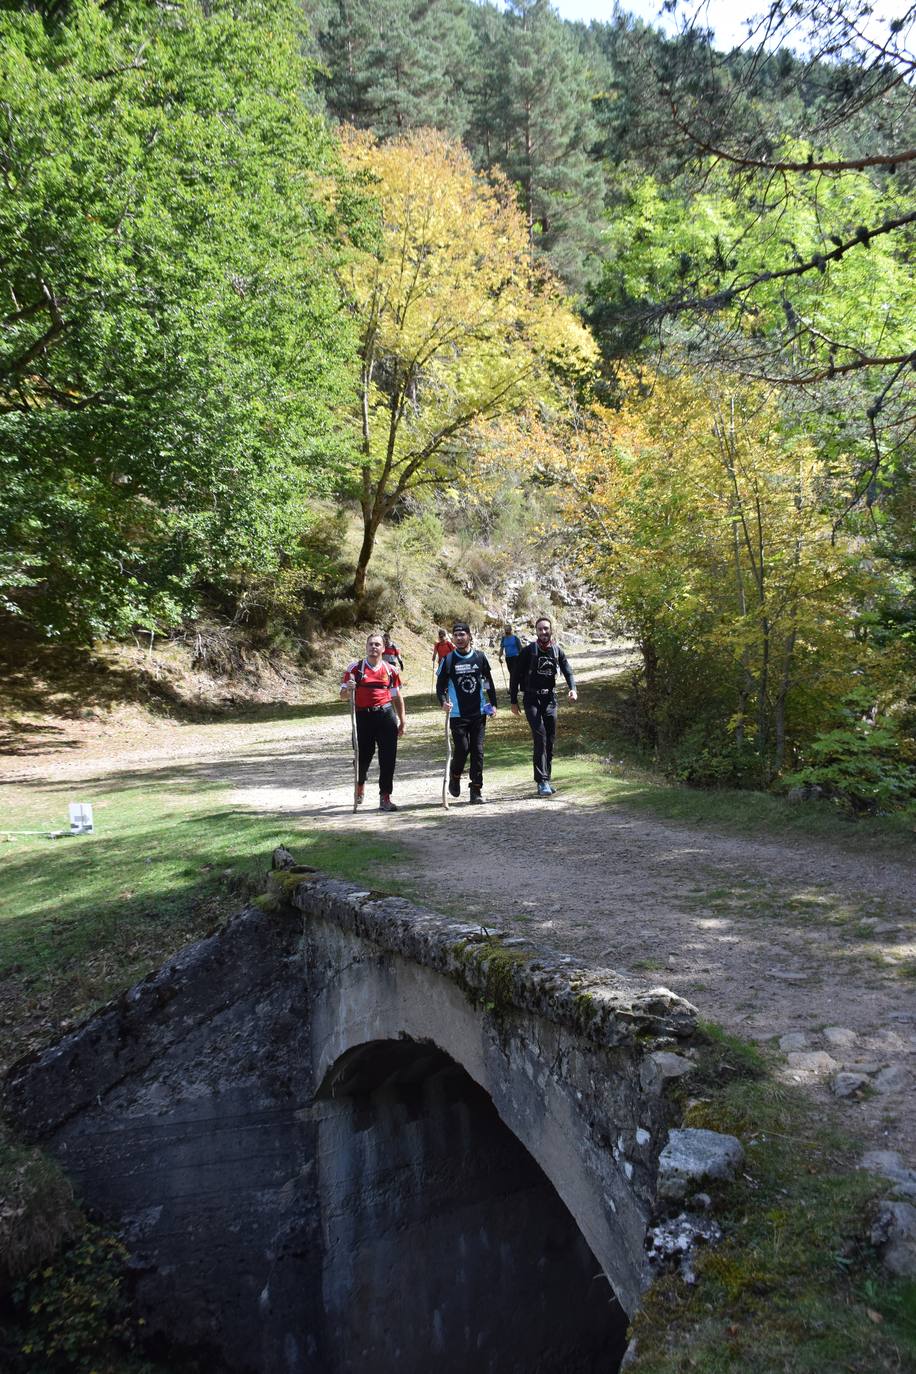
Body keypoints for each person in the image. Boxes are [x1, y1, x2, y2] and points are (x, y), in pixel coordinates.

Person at [510, 615, 577, 797]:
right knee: (540, 737)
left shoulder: (557, 650)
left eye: (546, 628)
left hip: (550, 700)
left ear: (551, 630)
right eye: (540, 629)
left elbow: (568, 671)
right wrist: (513, 701)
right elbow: (515, 676)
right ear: (536, 631)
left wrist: (573, 689)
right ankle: (541, 781)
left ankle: (547, 778)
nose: (543, 632)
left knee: (550, 739)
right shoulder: (528, 651)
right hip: (531, 699)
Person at [340, 632, 406, 812]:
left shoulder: (390, 670)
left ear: (384, 649)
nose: (373, 647)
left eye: (377, 644)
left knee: (388, 758)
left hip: (386, 716)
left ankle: (385, 797)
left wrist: (402, 720)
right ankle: (360, 782)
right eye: (370, 644)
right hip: (363, 718)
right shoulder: (355, 669)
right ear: (366, 647)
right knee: (362, 757)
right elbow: (342, 695)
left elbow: (397, 696)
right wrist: (350, 689)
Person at [436, 621, 497, 804]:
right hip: (457, 715)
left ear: (469, 636)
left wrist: (493, 703)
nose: (459, 638)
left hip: (478, 713)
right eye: (456, 635)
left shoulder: (480, 657)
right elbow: (440, 686)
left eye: (462, 635)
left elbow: (487, 681)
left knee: (477, 751)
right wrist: (443, 703)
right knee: (462, 749)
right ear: (453, 638)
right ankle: (455, 775)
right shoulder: (448, 660)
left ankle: (476, 790)